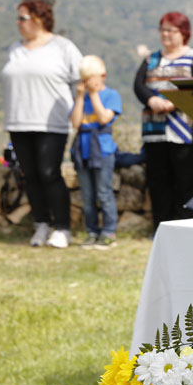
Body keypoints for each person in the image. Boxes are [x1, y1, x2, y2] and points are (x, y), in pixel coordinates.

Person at [2, 0, 83, 247]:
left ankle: (62, 228)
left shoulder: (62, 47)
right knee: (31, 176)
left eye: (23, 18)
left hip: (52, 124)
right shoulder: (16, 48)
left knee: (50, 174)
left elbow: (85, 76)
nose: (18, 23)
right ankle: (41, 224)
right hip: (19, 122)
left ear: (39, 19)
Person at [134, 12, 193, 231]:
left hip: (186, 133)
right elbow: (139, 86)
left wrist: (172, 102)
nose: (165, 34)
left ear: (183, 32)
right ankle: (162, 229)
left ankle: (187, 228)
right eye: (162, 29)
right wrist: (152, 99)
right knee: (158, 182)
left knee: (187, 184)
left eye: (171, 30)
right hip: (155, 131)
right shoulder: (151, 59)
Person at [69, 55, 123, 248]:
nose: (88, 83)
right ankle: (91, 231)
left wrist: (93, 95)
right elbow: (75, 122)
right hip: (82, 151)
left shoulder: (111, 95)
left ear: (103, 76)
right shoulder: (81, 99)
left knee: (103, 192)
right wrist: (80, 98)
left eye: (91, 78)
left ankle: (109, 232)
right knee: (87, 196)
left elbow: (103, 118)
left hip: (103, 151)